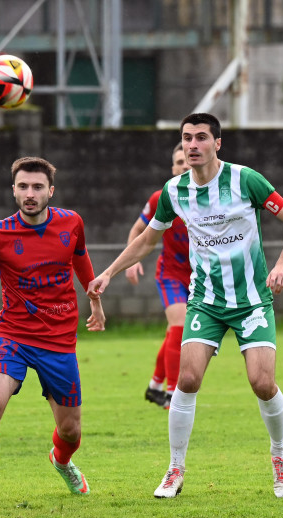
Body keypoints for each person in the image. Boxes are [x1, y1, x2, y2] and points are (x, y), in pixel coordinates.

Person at [88, 113, 283, 499]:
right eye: (187, 138)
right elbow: (145, 241)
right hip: (205, 301)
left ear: (217, 144)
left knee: (262, 382)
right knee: (186, 381)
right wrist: (109, 272)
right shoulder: (174, 191)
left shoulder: (246, 180)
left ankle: (280, 455)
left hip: (252, 301)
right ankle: (175, 468)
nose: (192, 145)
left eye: (201, 138)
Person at [0, 157, 106, 506]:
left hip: (59, 342)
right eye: (23, 186)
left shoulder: (71, 223)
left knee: (71, 431)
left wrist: (96, 303)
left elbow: (81, 259)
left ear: (50, 191)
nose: (30, 194)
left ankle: (61, 460)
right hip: (12, 336)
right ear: (13, 190)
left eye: (37, 187)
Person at [124, 143, 192, 409]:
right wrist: (132, 262)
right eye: (178, 163)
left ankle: (155, 386)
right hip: (170, 273)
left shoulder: (212, 199)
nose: (183, 167)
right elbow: (138, 229)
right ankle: (173, 395)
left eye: (187, 162)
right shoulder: (160, 198)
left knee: (175, 332)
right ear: (172, 168)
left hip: (201, 277)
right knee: (180, 326)